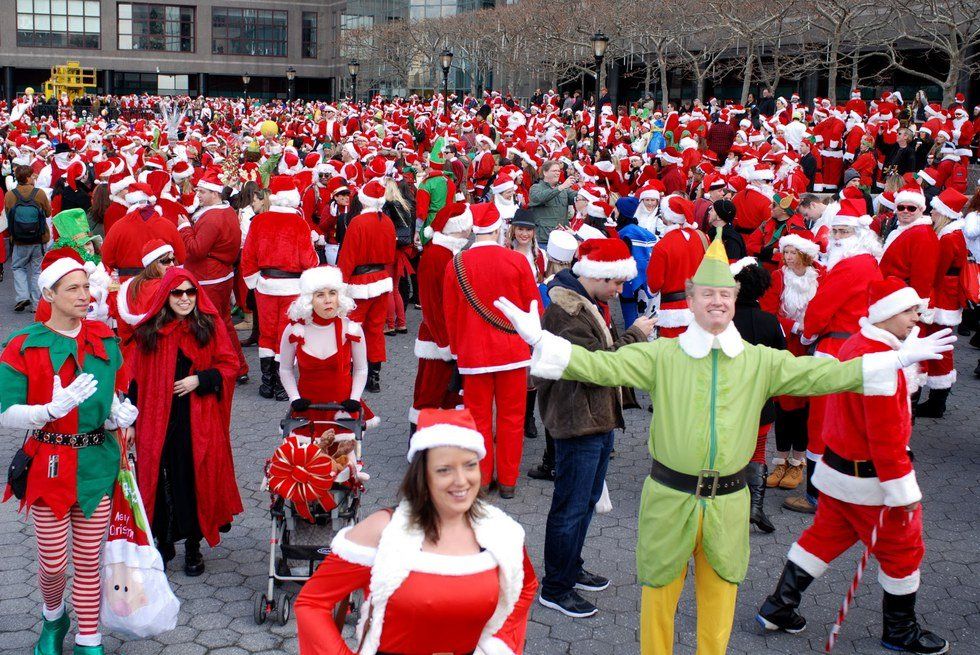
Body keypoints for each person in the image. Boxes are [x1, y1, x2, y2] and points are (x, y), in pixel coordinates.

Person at [493, 229, 954, 655]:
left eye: (724, 295)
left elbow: (825, 372)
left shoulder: (760, 361)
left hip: (730, 504)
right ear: (690, 301)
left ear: (735, 301)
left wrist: (894, 359)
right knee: (657, 604)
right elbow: (600, 367)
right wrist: (542, 341)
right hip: (669, 500)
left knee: (719, 608)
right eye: (707, 294)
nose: (717, 301)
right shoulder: (662, 355)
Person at [757, 278, 950, 655]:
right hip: (872, 483)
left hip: (837, 472)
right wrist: (902, 493)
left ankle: (778, 607)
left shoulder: (857, 346)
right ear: (886, 314)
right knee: (903, 552)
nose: (917, 317)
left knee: (822, 539)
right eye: (909, 311)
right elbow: (887, 438)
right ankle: (899, 631)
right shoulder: (879, 365)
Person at [293, 407, 538, 655]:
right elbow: (312, 603)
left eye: (470, 465)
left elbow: (524, 588)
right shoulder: (382, 530)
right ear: (423, 474)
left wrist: (499, 647)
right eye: (444, 469)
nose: (461, 480)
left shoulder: (500, 532)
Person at [0, 248, 138, 655]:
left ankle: (89, 638)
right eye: (72, 288)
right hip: (49, 463)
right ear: (49, 294)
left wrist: (119, 414)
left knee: (89, 562)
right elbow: (5, 411)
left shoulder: (105, 339)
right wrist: (46, 411)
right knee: (54, 564)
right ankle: (53, 616)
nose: (84, 295)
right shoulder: (24, 344)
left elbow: (116, 394)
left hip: (96, 462)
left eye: (85, 287)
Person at [535, 238, 655, 618]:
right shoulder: (566, 310)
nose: (620, 291)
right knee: (570, 506)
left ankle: (570, 567)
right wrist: (634, 334)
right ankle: (555, 587)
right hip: (577, 418)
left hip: (593, 416)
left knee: (584, 502)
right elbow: (596, 365)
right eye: (616, 283)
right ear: (597, 276)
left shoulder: (584, 301)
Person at [130, 268, 244, 576]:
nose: (184, 299)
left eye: (189, 292)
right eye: (177, 293)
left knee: (195, 478)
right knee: (160, 478)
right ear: (166, 296)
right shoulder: (150, 331)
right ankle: (163, 542)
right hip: (157, 418)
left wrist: (200, 380)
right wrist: (129, 422)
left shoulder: (209, 324)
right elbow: (135, 378)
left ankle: (193, 546)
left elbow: (230, 364)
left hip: (197, 419)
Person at [789, 199, 884, 514]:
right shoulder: (869, 262)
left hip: (835, 349)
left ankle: (817, 496)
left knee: (821, 421)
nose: (838, 237)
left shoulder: (848, 265)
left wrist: (806, 333)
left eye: (845, 231)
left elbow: (820, 308)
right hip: (857, 346)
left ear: (860, 233)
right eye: (837, 230)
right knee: (848, 419)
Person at [443, 203, 541, 499]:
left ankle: (483, 479)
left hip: (474, 354)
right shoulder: (517, 261)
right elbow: (533, 307)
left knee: (479, 419)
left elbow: (450, 312)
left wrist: (458, 351)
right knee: (513, 418)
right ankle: (509, 480)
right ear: (499, 230)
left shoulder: (456, 263)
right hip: (513, 351)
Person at [241, 175, 319, 401]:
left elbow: (248, 257)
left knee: (267, 333)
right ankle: (282, 385)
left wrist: (254, 282)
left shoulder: (259, 221)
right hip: (292, 287)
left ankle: (268, 383)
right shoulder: (299, 223)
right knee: (286, 333)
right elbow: (309, 260)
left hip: (265, 285)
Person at [279, 266, 378, 438]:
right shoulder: (295, 330)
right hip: (306, 409)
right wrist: (294, 398)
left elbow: (361, 369)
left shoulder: (351, 329)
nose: (328, 300)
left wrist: (354, 398)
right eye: (320, 295)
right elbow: (285, 369)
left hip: (343, 409)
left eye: (332, 293)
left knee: (344, 462)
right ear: (309, 300)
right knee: (306, 462)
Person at [760, 233, 822, 491]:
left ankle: (798, 462)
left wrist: (814, 328)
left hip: (813, 347)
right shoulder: (778, 277)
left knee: (806, 407)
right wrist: (796, 326)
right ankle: (781, 459)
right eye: (785, 252)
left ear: (805, 255)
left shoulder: (821, 276)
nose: (787, 258)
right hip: (787, 345)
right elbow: (769, 312)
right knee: (784, 405)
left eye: (793, 253)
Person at [177, 170, 248, 384]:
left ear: (215, 194)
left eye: (202, 191)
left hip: (209, 277)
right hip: (220, 274)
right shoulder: (225, 211)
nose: (197, 194)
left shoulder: (213, 217)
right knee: (222, 322)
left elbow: (196, 250)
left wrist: (184, 228)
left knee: (211, 323)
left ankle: (224, 365)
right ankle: (238, 366)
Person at [729, 257, 783, 534]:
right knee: (757, 451)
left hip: (728, 400)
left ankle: (727, 505)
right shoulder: (770, 322)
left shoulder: (724, 320)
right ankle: (755, 508)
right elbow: (782, 362)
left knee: (728, 450)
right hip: (761, 400)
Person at [410, 202, 472, 434]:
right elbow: (432, 305)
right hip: (438, 339)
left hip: (449, 337)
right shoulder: (438, 255)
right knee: (430, 392)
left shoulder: (451, 252)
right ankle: (419, 444)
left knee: (448, 394)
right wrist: (446, 344)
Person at [337, 179, 396, 393]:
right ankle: (374, 375)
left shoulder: (358, 223)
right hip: (380, 279)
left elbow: (348, 257)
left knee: (353, 328)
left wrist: (339, 283)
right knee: (375, 329)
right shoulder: (387, 221)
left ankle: (352, 369)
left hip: (359, 282)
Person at [915, 188, 969, 418]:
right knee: (942, 347)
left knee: (940, 348)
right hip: (946, 298)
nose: (932, 214)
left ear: (945, 213)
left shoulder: (948, 238)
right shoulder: (953, 234)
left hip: (943, 300)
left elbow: (937, 271)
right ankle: (937, 399)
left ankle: (938, 401)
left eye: (936, 210)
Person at [646, 195, 707, 337]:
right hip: (699, 305)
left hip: (672, 312)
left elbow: (654, 285)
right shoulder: (701, 237)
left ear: (667, 216)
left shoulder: (662, 246)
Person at [5, 164, 52, 312]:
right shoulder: (39, 194)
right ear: (27, 177)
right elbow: (48, 213)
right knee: (37, 270)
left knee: (18, 267)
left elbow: (8, 215)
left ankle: (22, 297)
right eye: (32, 175)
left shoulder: (10, 195)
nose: (34, 178)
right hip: (38, 239)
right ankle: (36, 304)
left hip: (19, 239)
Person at [528, 161, 577, 246]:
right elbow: (539, 198)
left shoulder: (564, 189)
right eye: (554, 171)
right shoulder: (536, 188)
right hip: (544, 240)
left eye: (558, 171)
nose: (558, 173)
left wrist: (586, 190)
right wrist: (561, 187)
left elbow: (579, 198)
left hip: (563, 239)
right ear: (545, 172)